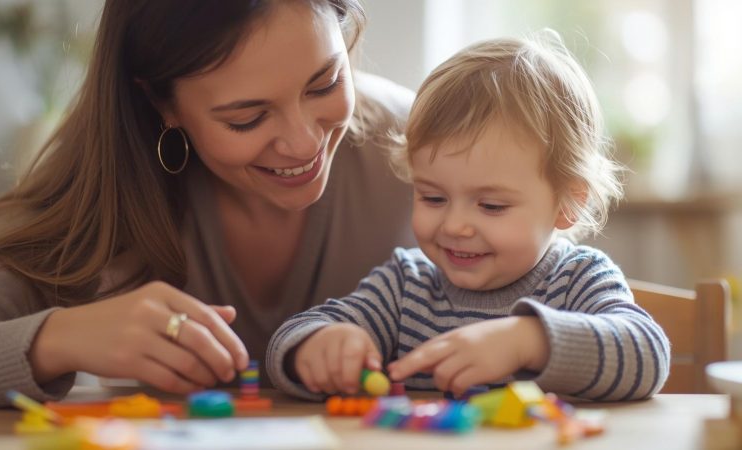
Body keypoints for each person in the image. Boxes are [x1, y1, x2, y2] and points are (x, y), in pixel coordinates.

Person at [0, 0, 416, 407]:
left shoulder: (420, 146)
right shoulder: (104, 192)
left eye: (326, 83)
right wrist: (58, 339)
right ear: (159, 101)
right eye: (247, 118)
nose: (303, 143)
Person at [267, 31, 670, 401]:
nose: (455, 226)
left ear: (568, 204)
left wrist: (529, 339)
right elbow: (291, 337)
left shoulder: (577, 282)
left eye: (491, 206)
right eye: (433, 198)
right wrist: (320, 345)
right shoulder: (406, 287)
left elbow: (648, 354)